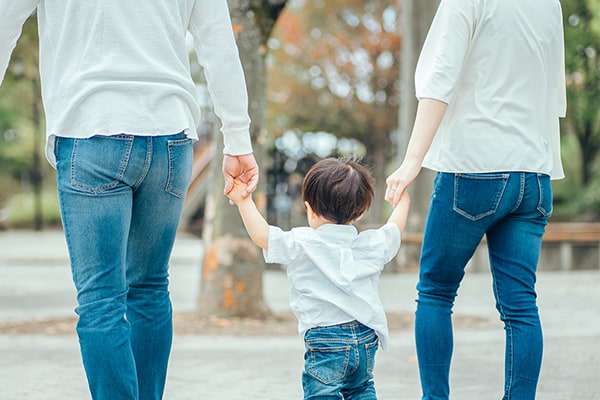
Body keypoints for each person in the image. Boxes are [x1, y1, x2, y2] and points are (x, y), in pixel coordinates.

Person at [0, 1, 258, 399]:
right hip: (170, 138)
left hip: (91, 129)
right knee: (150, 287)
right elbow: (218, 41)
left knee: (101, 297)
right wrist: (237, 138)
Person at [385, 0, 566, 399]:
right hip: (534, 173)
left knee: (435, 291)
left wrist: (412, 161)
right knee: (520, 306)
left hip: (474, 166)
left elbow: (438, 81)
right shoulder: (549, 4)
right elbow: (553, 95)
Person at [227, 157, 410, 399]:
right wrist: (403, 199)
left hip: (326, 339)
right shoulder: (372, 243)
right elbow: (395, 228)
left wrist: (243, 200)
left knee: (322, 394)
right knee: (361, 388)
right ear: (362, 211)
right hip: (366, 337)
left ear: (310, 209)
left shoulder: (303, 242)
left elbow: (262, 235)